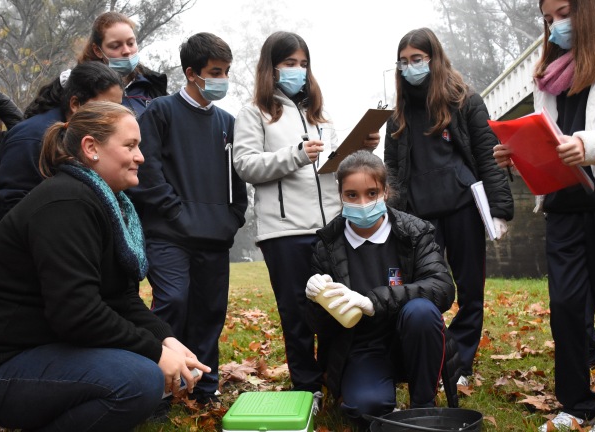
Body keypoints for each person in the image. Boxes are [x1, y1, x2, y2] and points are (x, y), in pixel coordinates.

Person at [0, 102, 210, 431]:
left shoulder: (108, 205)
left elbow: (121, 298)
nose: (141, 157)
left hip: (40, 352)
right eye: (130, 146)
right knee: (139, 380)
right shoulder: (66, 203)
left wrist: (166, 339)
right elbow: (76, 313)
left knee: (144, 367)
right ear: (91, 148)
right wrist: (154, 352)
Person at [493, 1, 595, 430]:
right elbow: (550, 137)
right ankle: (576, 404)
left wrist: (588, 146)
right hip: (563, 205)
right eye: (548, 19)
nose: (555, 26)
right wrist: (519, 155)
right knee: (566, 309)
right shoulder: (547, 76)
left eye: (563, 13)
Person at [233, 31, 379, 394]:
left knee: (336, 307)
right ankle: (308, 386)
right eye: (289, 64)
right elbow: (246, 165)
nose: (298, 70)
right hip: (283, 232)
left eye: (303, 64)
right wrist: (296, 154)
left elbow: (332, 169)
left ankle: (336, 377)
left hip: (330, 227)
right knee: (297, 314)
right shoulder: (255, 114)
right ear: (272, 67)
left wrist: (360, 146)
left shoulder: (319, 116)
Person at [383, 27, 514, 386]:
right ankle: (430, 354)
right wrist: (390, 218)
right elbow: (391, 174)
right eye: (404, 61)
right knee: (424, 289)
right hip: (419, 218)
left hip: (463, 208)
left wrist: (500, 207)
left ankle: (461, 362)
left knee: (471, 289)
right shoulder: (397, 118)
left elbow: (488, 154)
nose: (411, 67)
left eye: (418, 59)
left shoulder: (465, 100)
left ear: (434, 58)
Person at [129, 32, 247, 405]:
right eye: (215, 71)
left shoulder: (228, 121)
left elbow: (238, 177)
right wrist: (175, 212)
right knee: (173, 302)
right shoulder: (160, 111)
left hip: (215, 235)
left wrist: (234, 217)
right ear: (191, 72)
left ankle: (204, 388)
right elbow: (148, 172)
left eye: (226, 71)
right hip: (169, 234)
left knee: (210, 312)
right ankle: (157, 388)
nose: (222, 79)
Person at [305, 150, 455, 422]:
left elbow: (442, 288)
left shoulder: (415, 232)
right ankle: (372, 392)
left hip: (413, 336)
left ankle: (423, 406)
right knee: (366, 409)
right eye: (352, 195)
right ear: (340, 195)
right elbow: (320, 329)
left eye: (371, 193)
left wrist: (373, 301)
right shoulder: (326, 245)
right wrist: (316, 300)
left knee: (421, 311)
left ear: (385, 192)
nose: (362, 203)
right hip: (361, 346)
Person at [0, 61, 123, 255]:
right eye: (106, 108)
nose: (115, 117)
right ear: (76, 104)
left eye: (118, 108)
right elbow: (15, 206)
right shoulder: (32, 137)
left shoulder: (81, 137)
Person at [23, 11, 166, 120]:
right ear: (98, 50)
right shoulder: (73, 85)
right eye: (115, 46)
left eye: (130, 43)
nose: (127, 51)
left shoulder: (152, 86)